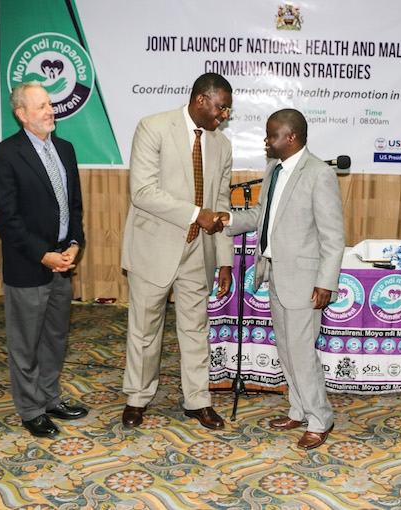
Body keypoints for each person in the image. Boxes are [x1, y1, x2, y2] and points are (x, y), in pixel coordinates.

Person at [219, 108, 345, 449]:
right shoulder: (275, 167)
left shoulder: (319, 174)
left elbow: (333, 237)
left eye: (271, 134)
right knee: (287, 350)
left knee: (303, 353)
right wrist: (227, 219)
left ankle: (320, 419)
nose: (265, 140)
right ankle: (298, 409)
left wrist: (325, 283)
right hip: (275, 273)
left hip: (306, 281)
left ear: (291, 137)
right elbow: (263, 215)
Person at [121, 73, 234, 430]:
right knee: (144, 330)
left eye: (227, 110)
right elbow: (142, 191)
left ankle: (197, 400)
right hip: (153, 247)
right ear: (201, 100)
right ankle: (137, 398)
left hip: (198, 252)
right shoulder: (153, 127)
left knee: (196, 329)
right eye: (220, 108)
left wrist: (226, 260)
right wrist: (194, 214)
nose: (224, 116)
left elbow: (220, 204)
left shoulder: (222, 145)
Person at [0, 81, 87, 439]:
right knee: (25, 342)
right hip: (29, 265)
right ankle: (30, 409)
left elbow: (73, 206)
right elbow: (8, 218)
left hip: (63, 260)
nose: (51, 111)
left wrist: (75, 244)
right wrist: (44, 255)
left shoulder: (66, 148)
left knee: (55, 338)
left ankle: (50, 398)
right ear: (21, 114)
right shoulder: (5, 155)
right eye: (42, 106)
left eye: (50, 104)